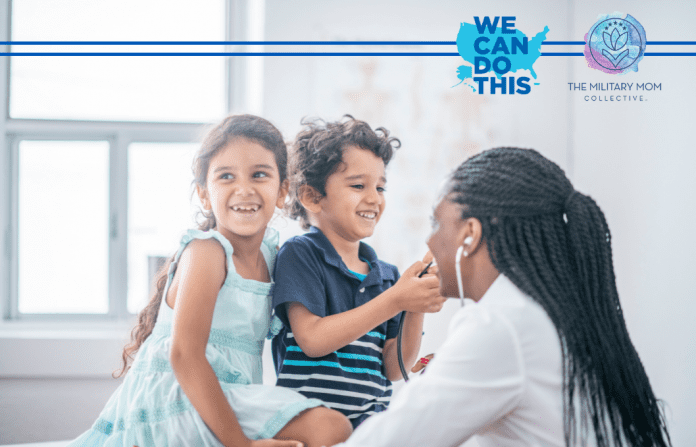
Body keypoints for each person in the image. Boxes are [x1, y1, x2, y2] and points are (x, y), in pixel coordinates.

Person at [335, 147, 671, 447]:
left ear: (470, 235)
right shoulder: (543, 312)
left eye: (436, 223)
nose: (430, 241)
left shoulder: (501, 325)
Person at [68, 115, 352, 447]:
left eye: (259, 175)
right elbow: (185, 356)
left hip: (230, 398)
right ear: (204, 195)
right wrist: (239, 445)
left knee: (332, 427)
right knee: (327, 427)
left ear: (283, 190)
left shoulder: (273, 257)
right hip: (178, 401)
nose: (244, 189)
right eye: (226, 176)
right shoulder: (207, 252)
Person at [271, 116, 446, 428]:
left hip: (369, 429)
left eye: (380, 187)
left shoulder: (388, 276)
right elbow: (312, 338)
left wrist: (413, 305)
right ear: (312, 197)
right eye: (357, 185)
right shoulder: (301, 254)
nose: (373, 198)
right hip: (313, 426)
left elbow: (394, 368)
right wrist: (395, 300)